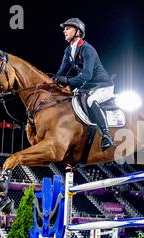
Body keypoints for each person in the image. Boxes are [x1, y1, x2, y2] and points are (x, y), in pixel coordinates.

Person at [53, 17, 115, 151]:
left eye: (67, 28)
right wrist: (53, 82)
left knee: (91, 100)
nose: (64, 31)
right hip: (88, 85)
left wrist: (68, 81)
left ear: (78, 31)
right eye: (64, 29)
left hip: (103, 85)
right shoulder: (68, 51)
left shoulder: (87, 49)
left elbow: (87, 75)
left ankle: (106, 135)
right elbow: (60, 73)